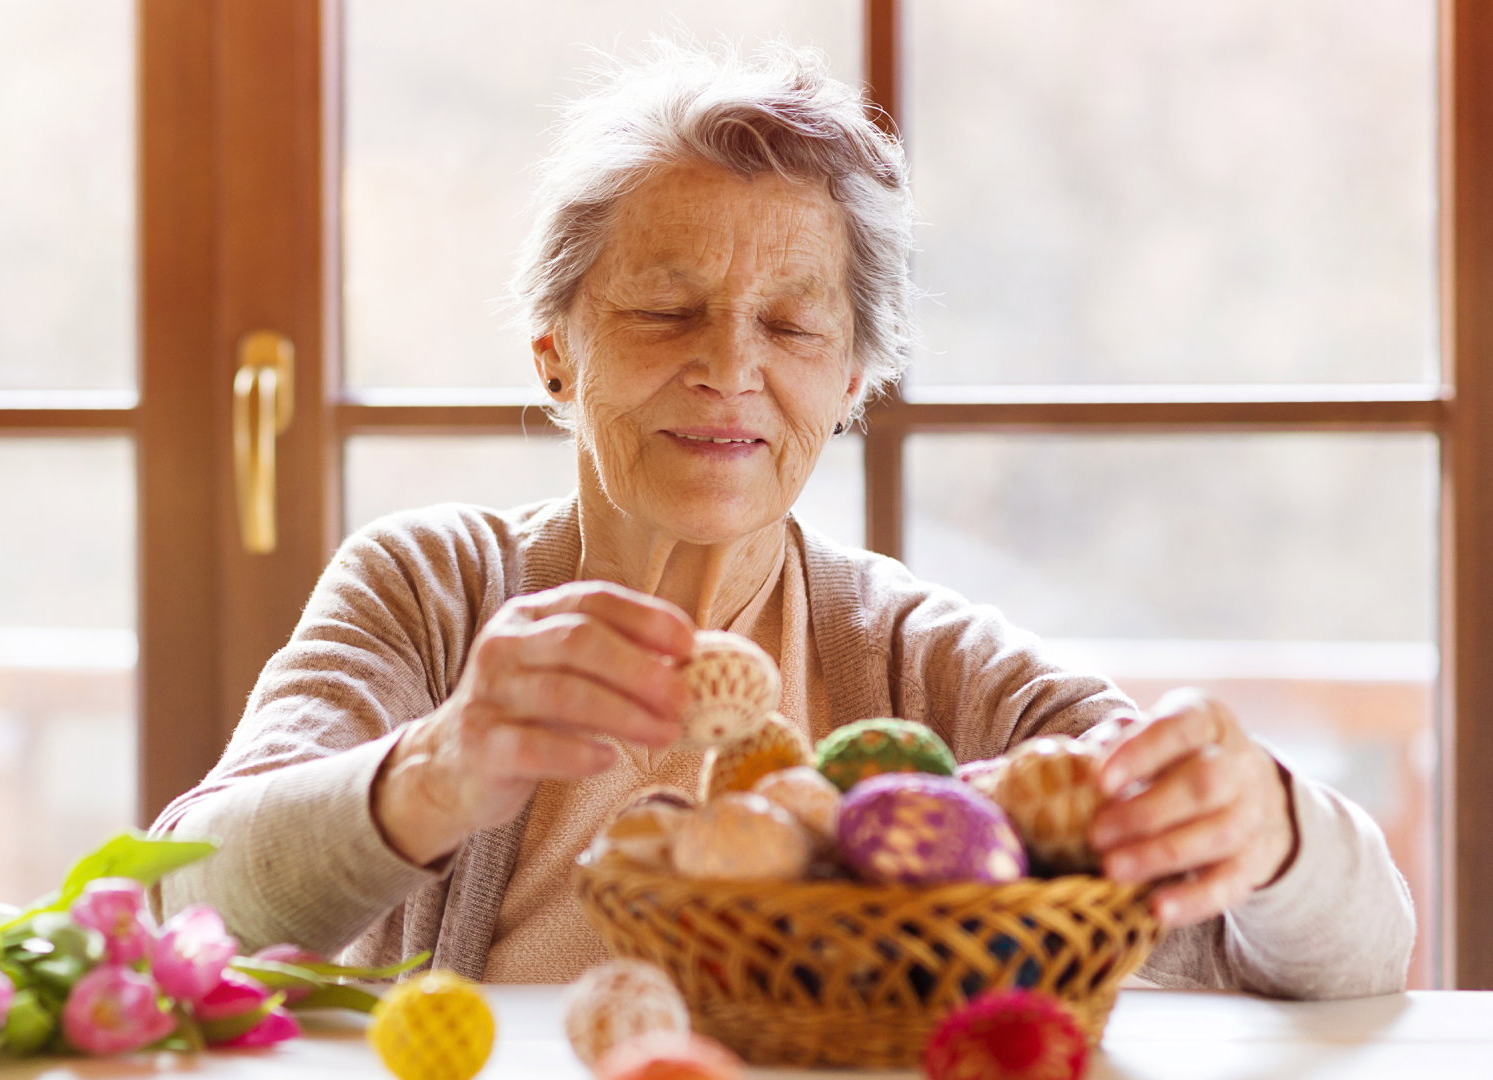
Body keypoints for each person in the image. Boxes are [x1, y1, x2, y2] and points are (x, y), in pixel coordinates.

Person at [154, 40, 1413, 998]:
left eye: (795, 325)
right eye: (664, 307)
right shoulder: (430, 590)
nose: (729, 368)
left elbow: (1353, 956)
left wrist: (1276, 826)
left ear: (854, 384)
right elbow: (180, 901)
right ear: (555, 354)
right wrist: (434, 768)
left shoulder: (924, 663)